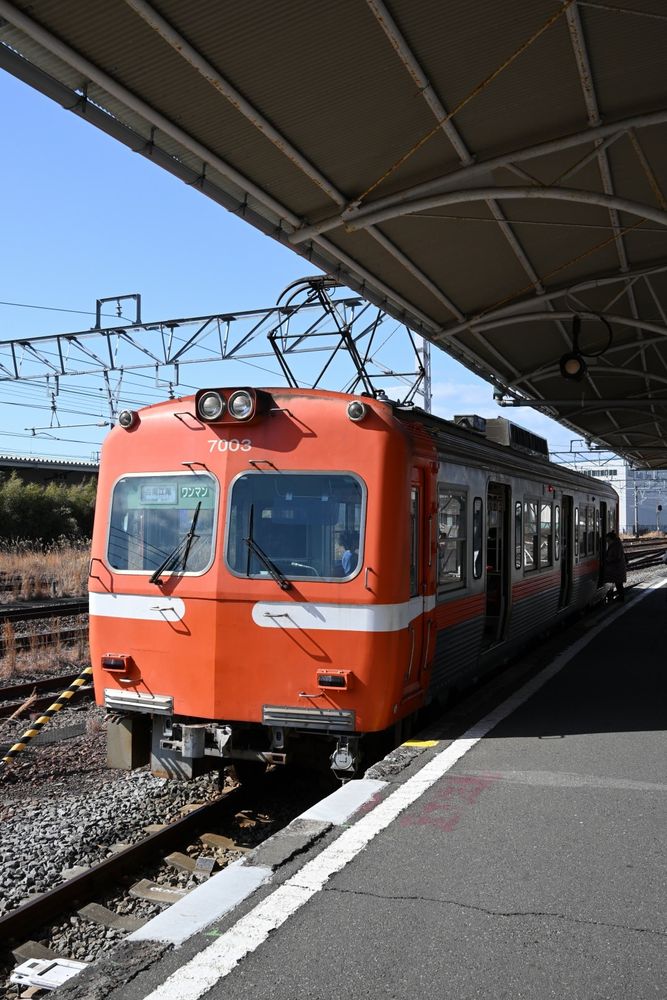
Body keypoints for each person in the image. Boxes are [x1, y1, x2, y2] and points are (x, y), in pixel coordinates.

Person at [603, 530, 627, 602]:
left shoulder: (615, 546)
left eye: (608, 540)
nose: (607, 542)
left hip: (617, 568)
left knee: (618, 584)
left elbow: (615, 557)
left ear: (611, 539)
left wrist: (607, 560)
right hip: (617, 568)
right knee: (618, 583)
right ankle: (620, 597)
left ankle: (621, 598)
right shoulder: (616, 544)